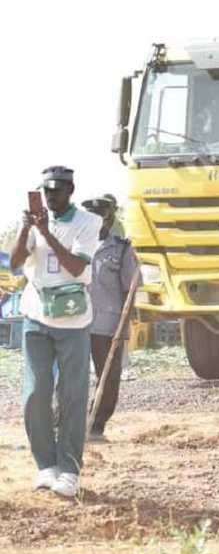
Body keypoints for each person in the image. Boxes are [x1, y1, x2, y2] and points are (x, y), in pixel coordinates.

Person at [8, 166, 100, 498]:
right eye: (46, 192)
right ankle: (46, 465)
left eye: (57, 191)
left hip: (73, 322)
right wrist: (25, 230)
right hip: (36, 317)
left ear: (70, 190)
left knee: (72, 396)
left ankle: (69, 469)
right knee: (35, 394)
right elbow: (15, 263)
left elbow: (77, 267)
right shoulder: (34, 222)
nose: (50, 197)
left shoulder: (89, 222)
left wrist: (46, 234)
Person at [82, 195, 140, 443]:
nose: (99, 223)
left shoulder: (122, 248)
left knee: (109, 376)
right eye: (93, 218)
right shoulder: (73, 244)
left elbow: (130, 288)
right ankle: (61, 423)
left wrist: (125, 323)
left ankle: (96, 426)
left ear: (110, 218)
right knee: (69, 375)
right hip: (75, 321)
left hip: (109, 324)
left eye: (103, 218)